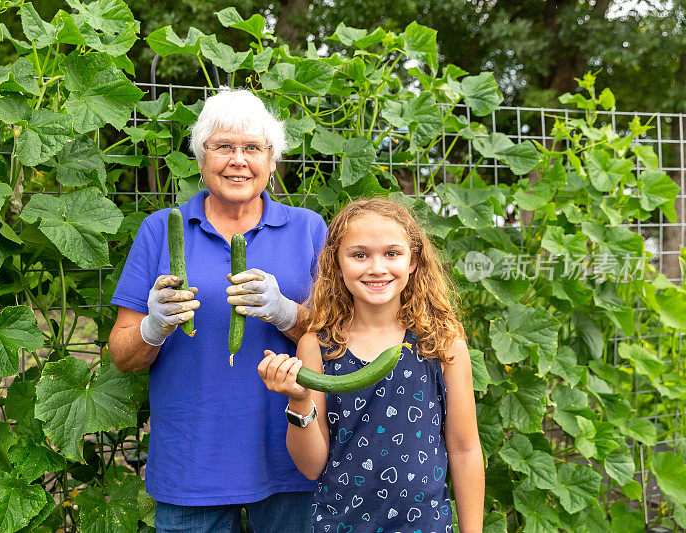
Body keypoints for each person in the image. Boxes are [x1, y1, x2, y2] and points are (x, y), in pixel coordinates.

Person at [109, 89, 327, 532]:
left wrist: (287, 313)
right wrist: (153, 327)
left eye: (252, 148)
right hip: (193, 464)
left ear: (271, 158)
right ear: (201, 156)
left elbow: (337, 337)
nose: (238, 160)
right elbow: (121, 354)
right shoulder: (159, 230)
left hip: (290, 455)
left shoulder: (307, 229)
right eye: (223, 146)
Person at [258, 197, 484, 532]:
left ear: (413, 261)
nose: (376, 267)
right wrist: (299, 400)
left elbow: (465, 450)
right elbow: (310, 466)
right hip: (339, 524)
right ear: (336, 262)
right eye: (360, 254)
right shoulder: (318, 346)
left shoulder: (441, 343)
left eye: (391, 253)